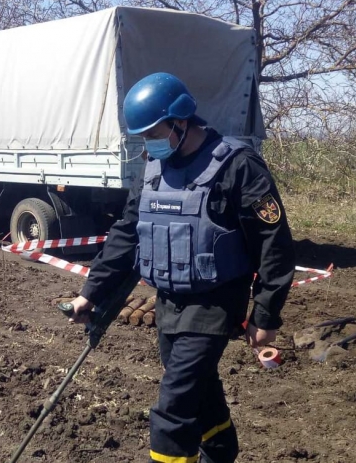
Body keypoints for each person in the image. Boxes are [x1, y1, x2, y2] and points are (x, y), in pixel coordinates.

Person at [66, 72, 295, 463]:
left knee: (172, 408)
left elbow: (274, 243)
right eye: (144, 136)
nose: (149, 143)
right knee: (200, 392)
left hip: (215, 305)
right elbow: (126, 233)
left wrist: (266, 313)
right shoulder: (156, 170)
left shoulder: (237, 166)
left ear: (181, 120)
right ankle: (221, 452)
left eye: (154, 132)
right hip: (169, 305)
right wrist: (91, 292)